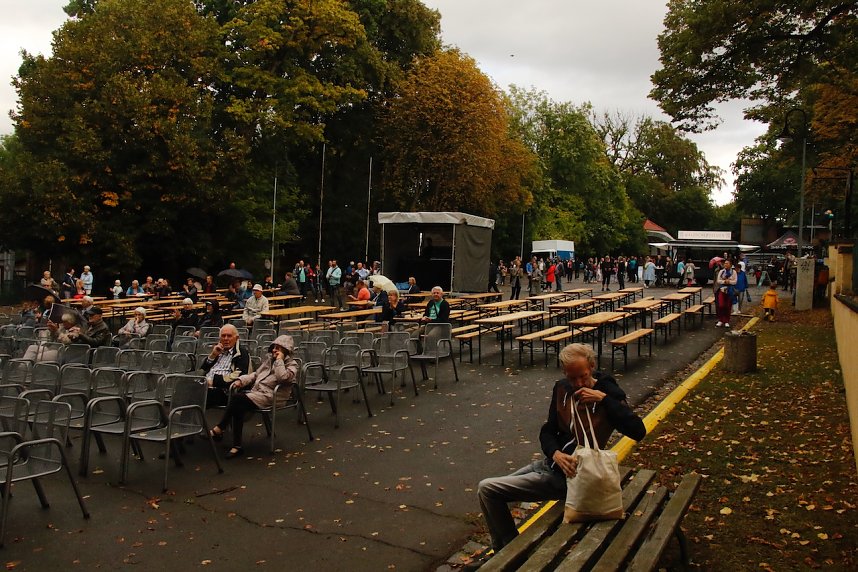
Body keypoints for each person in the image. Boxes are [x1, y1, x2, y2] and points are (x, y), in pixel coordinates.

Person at [476, 343, 645, 558]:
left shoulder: (608, 393)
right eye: (571, 377)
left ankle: (510, 554)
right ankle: (504, 550)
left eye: (582, 376)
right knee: (489, 494)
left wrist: (603, 399)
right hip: (552, 463)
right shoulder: (561, 389)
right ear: (565, 373)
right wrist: (555, 453)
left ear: (592, 367)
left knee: (487, 489)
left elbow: (638, 431)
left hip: (574, 476)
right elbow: (548, 431)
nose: (578, 384)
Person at [209, 335, 297, 458]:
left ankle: (220, 429)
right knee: (238, 405)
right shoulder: (268, 360)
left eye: (278, 348)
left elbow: (282, 378)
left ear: (285, 350)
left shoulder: (292, 365)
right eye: (274, 347)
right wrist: (241, 380)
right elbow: (256, 374)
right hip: (258, 393)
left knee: (237, 399)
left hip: (273, 396)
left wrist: (279, 361)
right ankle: (236, 446)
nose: (274, 350)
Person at [200, 324, 251, 408]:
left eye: (229, 336)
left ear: (236, 338)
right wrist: (213, 355)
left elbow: (239, 375)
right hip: (205, 386)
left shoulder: (241, 353)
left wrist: (213, 381)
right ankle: (184, 418)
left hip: (225, 391)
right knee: (184, 387)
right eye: (223, 336)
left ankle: (184, 417)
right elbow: (203, 369)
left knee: (197, 396)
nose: (226, 339)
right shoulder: (218, 351)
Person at [714, 259, 738, 328]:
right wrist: (724, 281)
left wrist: (729, 282)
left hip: (730, 290)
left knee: (728, 306)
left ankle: (726, 321)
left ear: (730, 264)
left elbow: (735, 281)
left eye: (727, 263)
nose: (725, 265)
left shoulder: (733, 272)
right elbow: (718, 280)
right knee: (721, 305)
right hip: (722, 290)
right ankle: (720, 320)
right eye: (725, 263)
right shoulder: (721, 272)